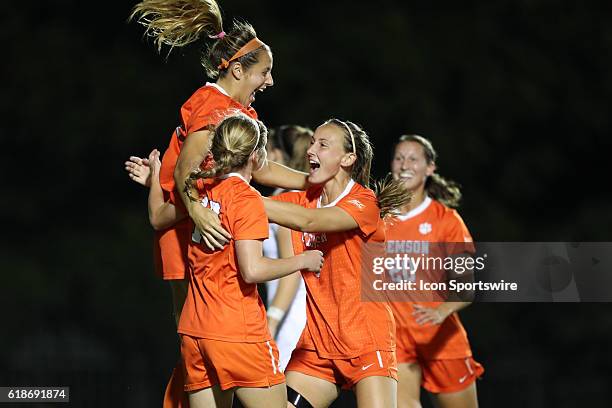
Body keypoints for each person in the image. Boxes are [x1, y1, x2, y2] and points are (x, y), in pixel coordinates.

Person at [126, 0, 308, 404]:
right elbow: (186, 174)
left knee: (201, 344)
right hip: (187, 229)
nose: (271, 81)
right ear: (238, 70)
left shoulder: (239, 110)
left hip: (198, 218)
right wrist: (192, 210)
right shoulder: (212, 107)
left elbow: (259, 169)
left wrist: (313, 180)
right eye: (265, 72)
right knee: (199, 333)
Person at [167, 114, 324, 407]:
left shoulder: (200, 190)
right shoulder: (246, 198)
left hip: (195, 330)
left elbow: (158, 216)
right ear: (255, 156)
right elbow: (252, 270)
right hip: (237, 330)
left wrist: (154, 178)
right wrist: (303, 260)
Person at [257, 119, 412, 408]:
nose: (311, 150)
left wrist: (239, 197)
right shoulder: (305, 198)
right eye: (312, 142)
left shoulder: (363, 202)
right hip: (317, 346)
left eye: (323, 145)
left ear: (348, 158)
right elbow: (259, 171)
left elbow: (311, 221)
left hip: (365, 341)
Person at [386, 134, 484, 408]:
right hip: (398, 338)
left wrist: (440, 311)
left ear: (429, 168)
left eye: (413, 158)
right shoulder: (378, 216)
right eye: (398, 157)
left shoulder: (447, 221)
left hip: (441, 338)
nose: (404, 164)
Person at [264, 125, 314, 371]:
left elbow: (293, 268)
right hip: (294, 311)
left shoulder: (286, 201)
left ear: (276, 155)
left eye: (266, 151)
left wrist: (272, 320)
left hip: (290, 314)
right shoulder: (298, 196)